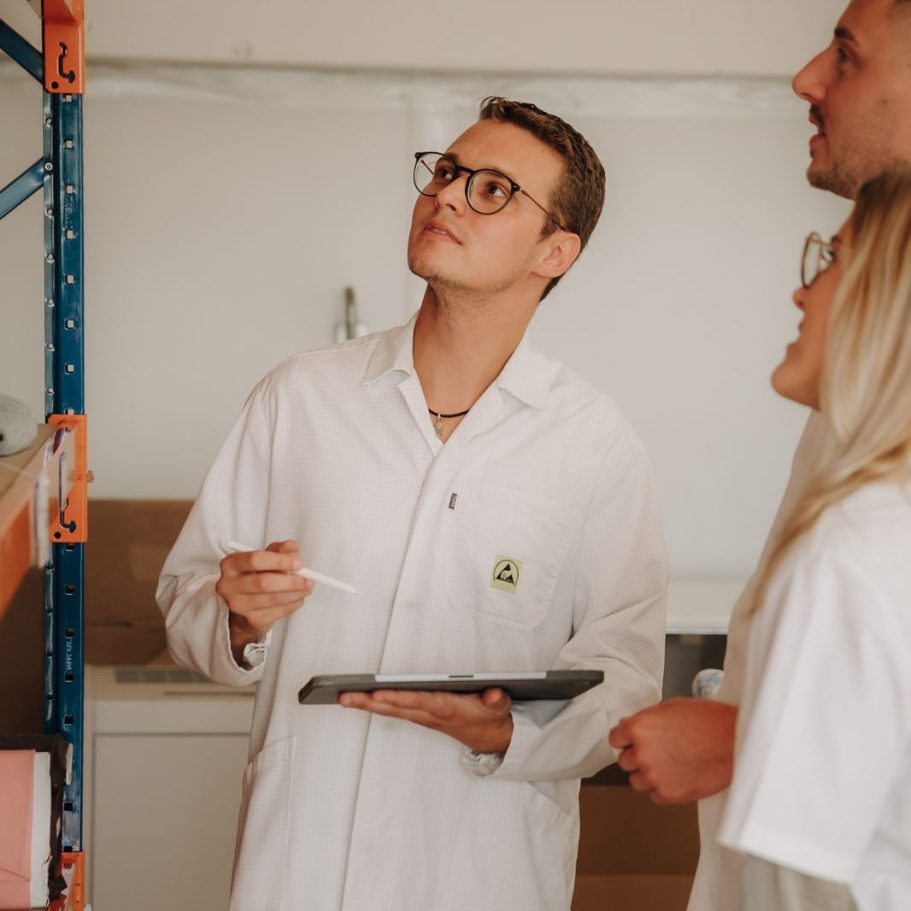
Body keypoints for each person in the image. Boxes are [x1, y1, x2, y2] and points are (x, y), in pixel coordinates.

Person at [157, 97, 667, 911]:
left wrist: (509, 731)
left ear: (555, 251)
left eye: (493, 190)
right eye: (447, 172)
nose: (447, 196)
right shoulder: (302, 397)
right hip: (302, 862)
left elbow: (625, 676)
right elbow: (187, 597)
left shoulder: (592, 444)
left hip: (480, 871)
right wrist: (237, 616)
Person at [608, 0, 911, 907]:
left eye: (846, 55)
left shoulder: (858, 538)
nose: (805, 77)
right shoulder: (861, 434)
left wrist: (755, 737)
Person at [722, 165, 911, 910]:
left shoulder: (850, 551)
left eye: (831, 259)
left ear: (888, 299)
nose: (802, 292)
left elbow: (797, 881)